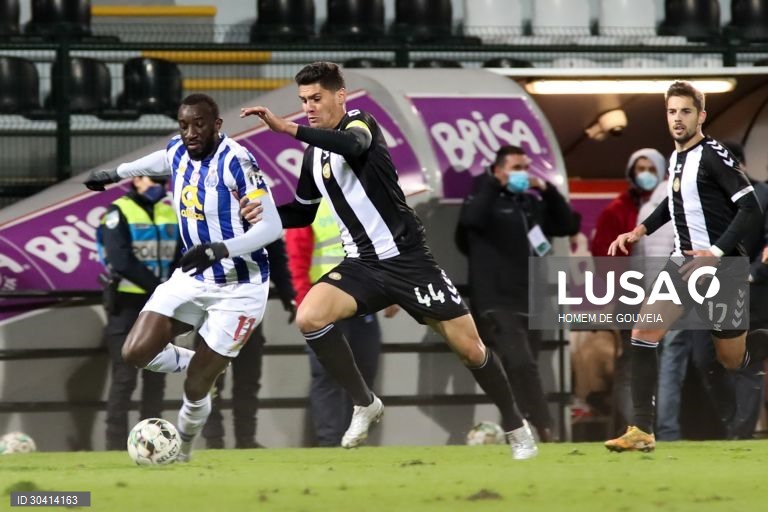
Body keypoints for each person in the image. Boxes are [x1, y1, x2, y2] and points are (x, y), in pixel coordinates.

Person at [239, 61, 537, 459]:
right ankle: (365, 402)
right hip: (361, 265)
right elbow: (303, 213)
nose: (309, 107)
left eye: (316, 98)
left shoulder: (359, 124)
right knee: (310, 316)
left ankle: (517, 427)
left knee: (470, 350)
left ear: (339, 96)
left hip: (409, 262)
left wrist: (288, 129)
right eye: (303, 101)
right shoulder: (313, 155)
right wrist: (264, 212)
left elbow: (355, 147)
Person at [84, 93, 283, 462]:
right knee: (135, 352)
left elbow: (272, 226)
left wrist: (221, 249)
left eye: (199, 125)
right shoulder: (178, 149)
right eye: (184, 125)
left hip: (241, 285)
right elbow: (164, 158)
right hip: (193, 276)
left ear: (217, 125)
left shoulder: (238, 161)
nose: (190, 133)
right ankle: (205, 363)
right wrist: (116, 173)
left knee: (195, 388)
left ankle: (184, 452)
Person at [604, 80, 768, 452]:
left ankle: (758, 349)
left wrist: (716, 252)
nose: (678, 119)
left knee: (731, 359)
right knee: (643, 334)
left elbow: (749, 207)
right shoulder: (677, 157)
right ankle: (641, 431)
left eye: (685, 111)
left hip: (719, 267)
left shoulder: (713, 155)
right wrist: (641, 229)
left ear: (702, 115)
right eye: (672, 112)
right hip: (682, 263)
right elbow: (674, 204)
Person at [455, 144, 578, 442]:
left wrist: (547, 190)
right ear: (498, 171)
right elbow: (468, 225)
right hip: (494, 300)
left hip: (529, 300)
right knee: (522, 363)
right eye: (517, 168)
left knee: (520, 369)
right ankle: (546, 429)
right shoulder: (483, 198)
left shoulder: (529, 204)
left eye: (526, 167)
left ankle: (517, 431)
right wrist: (492, 185)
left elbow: (568, 224)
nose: (524, 173)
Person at [286, 199, 397, 447]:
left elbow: (383, 249)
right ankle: (330, 443)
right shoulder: (310, 205)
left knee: (365, 371)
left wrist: (391, 292)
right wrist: (306, 304)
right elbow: (296, 258)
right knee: (326, 375)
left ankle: (355, 439)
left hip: (361, 304)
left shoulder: (363, 203)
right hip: (323, 307)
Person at [96, 174, 180, 450]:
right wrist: (159, 288)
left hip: (161, 307)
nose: (160, 186)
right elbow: (120, 260)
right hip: (127, 304)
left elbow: (181, 256)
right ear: (137, 180)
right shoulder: (117, 211)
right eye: (154, 180)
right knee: (124, 376)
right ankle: (115, 446)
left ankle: (151, 446)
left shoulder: (171, 211)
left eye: (163, 181)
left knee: (156, 378)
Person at [591, 148, 668, 428]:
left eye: (651, 168)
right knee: (633, 362)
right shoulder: (617, 210)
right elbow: (603, 255)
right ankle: (635, 425)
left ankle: (659, 424)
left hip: (666, 295)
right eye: (640, 169)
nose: (645, 175)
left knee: (663, 362)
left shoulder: (672, 206)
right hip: (632, 297)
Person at [202, 238, 297, 449]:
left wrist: (288, 296)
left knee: (248, 379)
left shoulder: (257, 218)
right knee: (210, 380)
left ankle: (246, 439)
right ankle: (214, 440)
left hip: (249, 311)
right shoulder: (200, 218)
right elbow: (182, 264)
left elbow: (276, 257)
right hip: (212, 312)